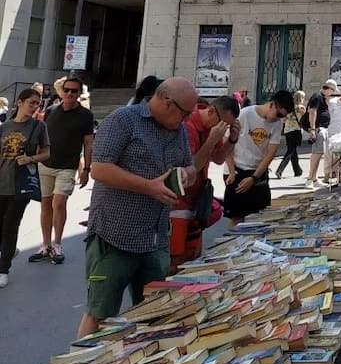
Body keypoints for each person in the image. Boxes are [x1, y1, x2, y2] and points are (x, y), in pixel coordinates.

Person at [77, 78, 198, 335]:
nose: (186, 119)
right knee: (100, 313)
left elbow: (191, 166)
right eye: (185, 113)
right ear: (167, 102)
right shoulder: (123, 120)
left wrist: (186, 174)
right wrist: (149, 187)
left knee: (154, 312)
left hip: (155, 238)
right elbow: (100, 169)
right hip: (114, 235)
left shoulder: (179, 132)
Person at [29, 74, 94, 265]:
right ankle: (45, 244)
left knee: (59, 202)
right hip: (46, 164)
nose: (70, 94)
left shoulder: (86, 115)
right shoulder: (51, 110)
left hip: (67, 167)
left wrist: (86, 168)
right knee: (45, 204)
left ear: (79, 93)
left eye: (74, 91)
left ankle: (57, 243)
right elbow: (43, 135)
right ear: (61, 91)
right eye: (67, 90)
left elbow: (88, 143)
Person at [173, 94, 240, 268]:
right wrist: (211, 140)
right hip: (179, 204)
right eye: (223, 123)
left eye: (227, 125)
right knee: (177, 258)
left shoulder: (213, 128)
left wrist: (232, 139)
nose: (223, 128)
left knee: (193, 257)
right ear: (210, 112)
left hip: (196, 199)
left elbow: (218, 159)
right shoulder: (188, 127)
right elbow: (192, 166)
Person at [0, 88, 51, 287]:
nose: (34, 106)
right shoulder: (4, 126)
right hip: (1, 182)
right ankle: (9, 251)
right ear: (19, 102)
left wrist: (30, 158)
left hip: (20, 184)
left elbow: (47, 153)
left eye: (37, 103)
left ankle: (3, 268)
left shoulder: (38, 126)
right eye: (31, 102)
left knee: (10, 226)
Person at [223, 89, 293, 220]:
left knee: (261, 216)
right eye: (278, 114)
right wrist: (232, 171)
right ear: (272, 104)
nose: (278, 118)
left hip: (257, 172)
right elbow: (226, 143)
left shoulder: (277, 124)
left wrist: (254, 178)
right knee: (237, 217)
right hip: (237, 169)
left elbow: (271, 153)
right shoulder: (245, 114)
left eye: (282, 116)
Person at [305, 81, 337, 186]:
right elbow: (312, 112)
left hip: (322, 128)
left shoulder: (322, 98)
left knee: (319, 154)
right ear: (328, 89)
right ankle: (310, 178)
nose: (332, 94)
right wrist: (313, 129)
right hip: (318, 129)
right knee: (317, 154)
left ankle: (314, 179)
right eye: (332, 91)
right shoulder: (317, 96)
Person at [322, 82, 341, 186]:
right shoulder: (333, 103)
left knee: (340, 155)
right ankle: (327, 175)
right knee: (329, 155)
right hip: (332, 131)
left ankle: (340, 175)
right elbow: (328, 116)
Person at [275, 91, 306, 179]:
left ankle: (297, 170)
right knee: (291, 151)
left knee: (293, 151)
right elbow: (303, 119)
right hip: (296, 130)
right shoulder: (301, 108)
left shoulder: (288, 108)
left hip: (287, 130)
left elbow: (283, 120)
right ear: (301, 98)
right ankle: (280, 170)